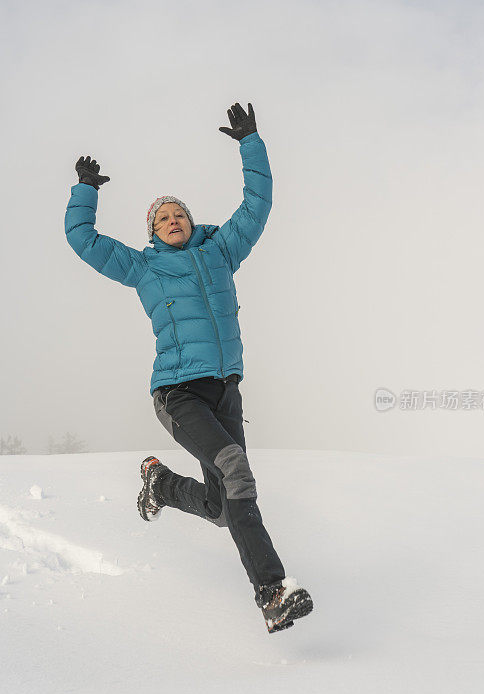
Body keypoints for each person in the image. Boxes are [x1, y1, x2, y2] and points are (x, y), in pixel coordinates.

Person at [64, 101, 313, 633]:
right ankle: (272, 592)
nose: (172, 220)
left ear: (191, 221)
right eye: (161, 218)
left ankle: (159, 485)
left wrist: (251, 143)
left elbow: (258, 204)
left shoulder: (221, 249)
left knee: (223, 505)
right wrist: (86, 190)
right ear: (152, 232)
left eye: (178, 213)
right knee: (237, 470)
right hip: (179, 393)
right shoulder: (143, 265)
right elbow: (82, 240)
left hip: (226, 392)